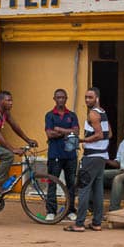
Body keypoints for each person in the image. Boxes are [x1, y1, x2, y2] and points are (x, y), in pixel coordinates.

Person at [67, 87, 110, 232]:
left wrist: (82, 140)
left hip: (91, 156)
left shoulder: (93, 114)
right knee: (98, 190)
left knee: (84, 189)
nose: (87, 100)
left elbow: (99, 135)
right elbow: (109, 133)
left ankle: (79, 224)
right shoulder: (103, 112)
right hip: (102, 156)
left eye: (90, 97)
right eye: (86, 97)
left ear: (97, 98)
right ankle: (96, 223)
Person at [43, 89, 79, 222]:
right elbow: (49, 134)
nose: (61, 100)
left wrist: (59, 130)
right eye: (58, 97)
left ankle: (70, 210)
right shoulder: (49, 115)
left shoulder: (72, 115)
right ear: (54, 99)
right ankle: (51, 211)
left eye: (63, 97)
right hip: (55, 154)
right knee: (52, 182)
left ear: (66, 98)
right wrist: (67, 132)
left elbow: (76, 132)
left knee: (71, 184)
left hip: (70, 155)